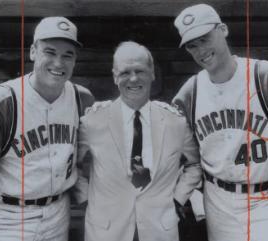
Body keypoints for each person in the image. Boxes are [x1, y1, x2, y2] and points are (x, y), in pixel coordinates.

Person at [172, 4, 268, 241]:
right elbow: (181, 158)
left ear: (223, 29)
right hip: (219, 206)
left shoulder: (263, 76)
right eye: (192, 45)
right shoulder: (190, 93)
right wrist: (192, 201)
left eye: (204, 38)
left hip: (266, 199)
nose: (200, 50)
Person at [0, 16, 94, 241]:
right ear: (33, 52)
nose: (58, 63)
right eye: (49, 52)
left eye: (67, 55)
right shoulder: (1, 102)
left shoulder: (81, 99)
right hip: (9, 215)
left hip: (58, 211)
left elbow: (84, 159)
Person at [75, 41, 202, 241]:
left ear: (152, 73)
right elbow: (73, 164)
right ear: (115, 76)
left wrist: (178, 199)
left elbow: (195, 164)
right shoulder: (93, 121)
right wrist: (85, 200)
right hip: (106, 230)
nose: (133, 79)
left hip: (159, 229)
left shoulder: (175, 122)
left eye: (140, 71)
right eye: (125, 72)